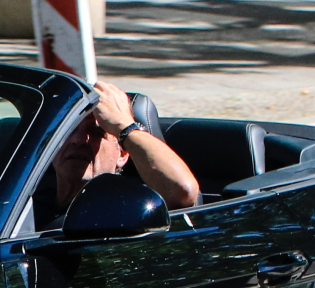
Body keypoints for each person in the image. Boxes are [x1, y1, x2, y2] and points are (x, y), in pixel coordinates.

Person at [46, 81, 201, 216]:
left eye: (96, 133)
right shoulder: (28, 196)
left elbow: (182, 191)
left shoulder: (128, 207)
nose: (78, 140)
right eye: (69, 130)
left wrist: (124, 126)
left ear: (123, 153)